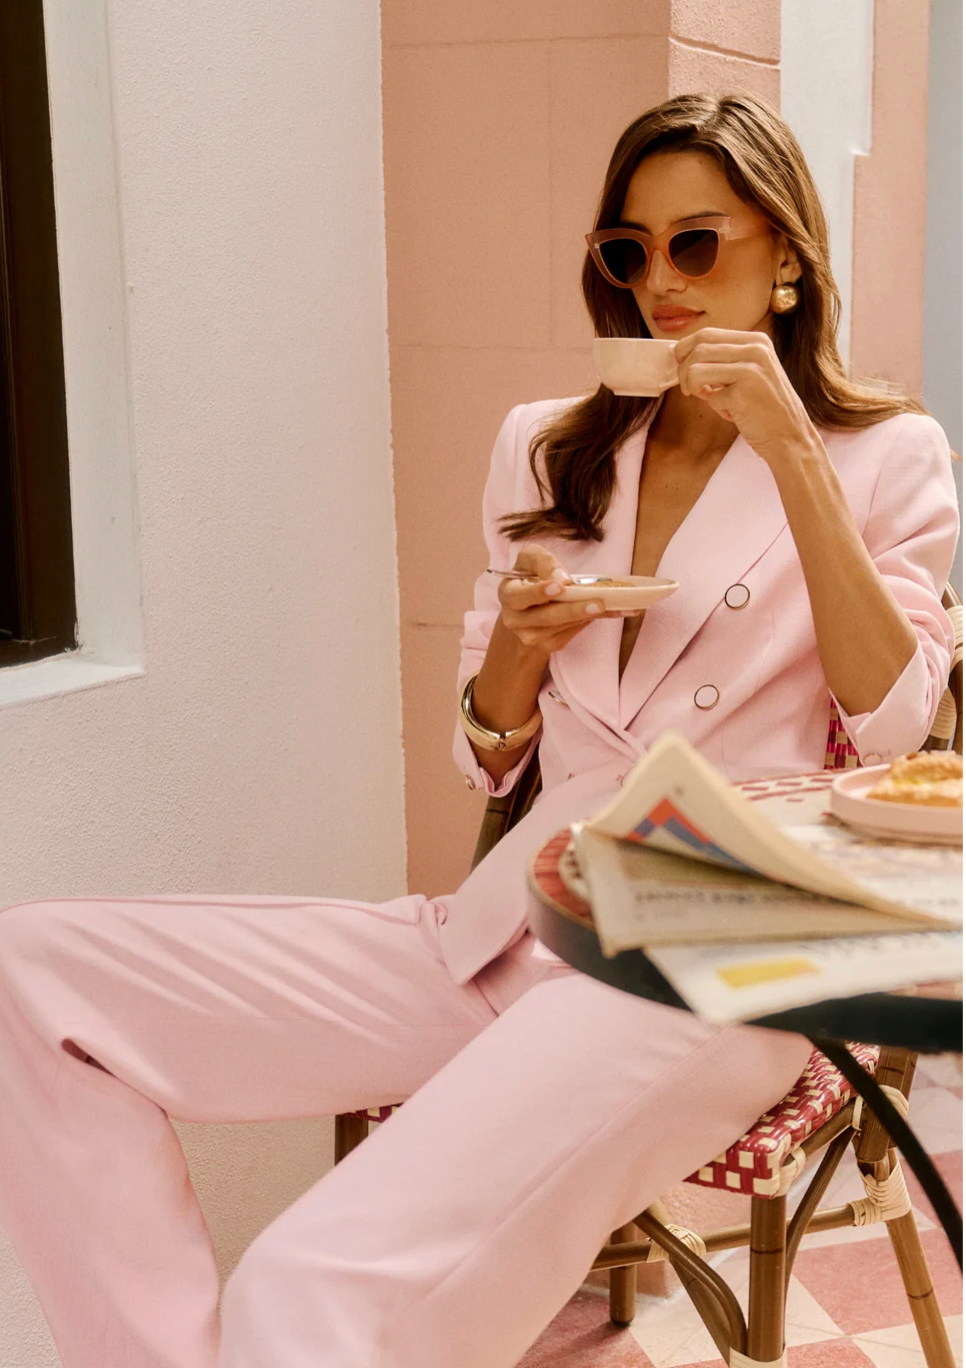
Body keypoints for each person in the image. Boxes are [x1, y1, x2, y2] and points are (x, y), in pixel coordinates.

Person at [0, 92, 957, 1368]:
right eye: (631, 249)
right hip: (509, 924)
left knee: (308, 1279)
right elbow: (485, 752)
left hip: (713, 954)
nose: (660, 282)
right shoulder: (547, 448)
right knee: (35, 974)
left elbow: (897, 720)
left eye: (698, 242)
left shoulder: (886, 453)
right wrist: (516, 648)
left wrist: (791, 449)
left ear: (786, 255)